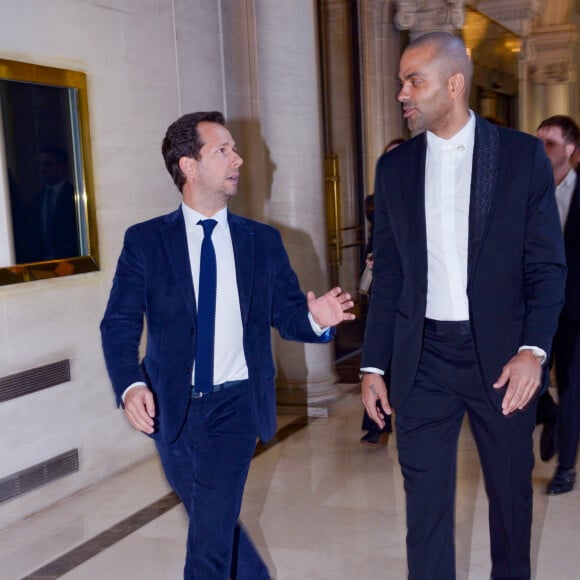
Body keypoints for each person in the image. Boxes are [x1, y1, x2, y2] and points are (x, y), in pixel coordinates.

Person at [100, 111, 355, 579]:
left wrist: (315, 320)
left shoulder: (261, 241)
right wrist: (131, 385)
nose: (238, 159)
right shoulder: (146, 242)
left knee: (208, 547)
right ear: (189, 166)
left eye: (234, 149)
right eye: (223, 150)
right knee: (213, 526)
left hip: (234, 407)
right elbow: (117, 324)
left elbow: (286, 315)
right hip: (169, 410)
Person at [360, 32, 566, 580]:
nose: (402, 92)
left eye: (414, 81)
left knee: (510, 503)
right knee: (424, 511)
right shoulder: (396, 168)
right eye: (401, 80)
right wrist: (374, 364)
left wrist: (533, 351)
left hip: (502, 360)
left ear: (454, 84)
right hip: (423, 359)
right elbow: (391, 277)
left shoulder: (521, 156)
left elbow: (546, 267)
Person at [536, 115, 580, 494]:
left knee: (572, 388)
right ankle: (547, 416)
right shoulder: (527, 192)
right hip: (534, 312)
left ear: (570, 150)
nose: (541, 150)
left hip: (576, 315)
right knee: (531, 385)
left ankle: (566, 467)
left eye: (549, 143)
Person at [360, 138, 404, 446]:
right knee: (379, 353)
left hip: (414, 288)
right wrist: (371, 254)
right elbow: (375, 237)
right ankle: (376, 422)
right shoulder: (376, 198)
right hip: (386, 284)